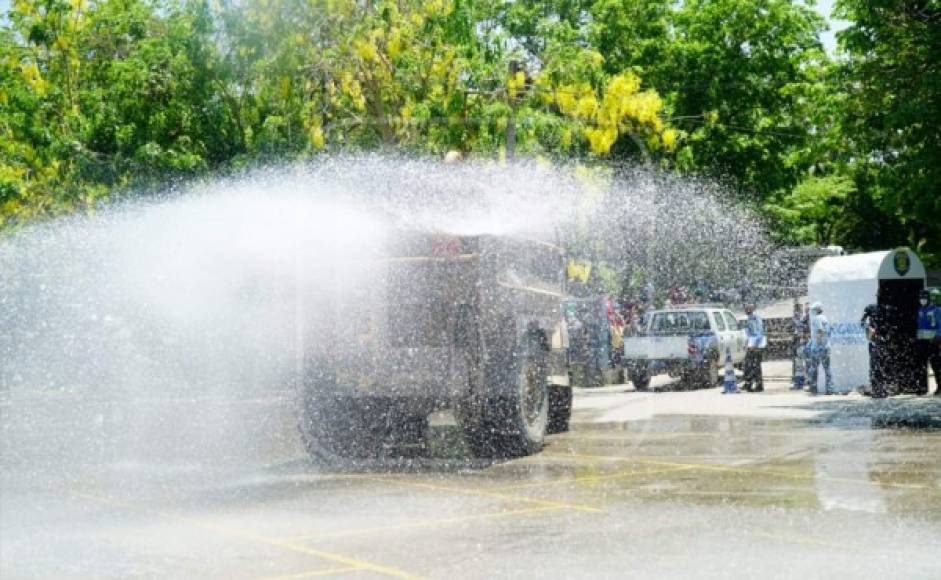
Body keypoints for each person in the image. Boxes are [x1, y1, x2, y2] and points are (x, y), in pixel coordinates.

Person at [861, 293, 899, 398]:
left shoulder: (889, 309)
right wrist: (869, 328)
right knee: (874, 366)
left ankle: (886, 388)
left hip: (886, 342)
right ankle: (876, 389)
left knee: (886, 365)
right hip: (874, 342)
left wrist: (891, 339)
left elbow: (893, 326)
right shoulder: (871, 308)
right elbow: (862, 322)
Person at [915, 289, 941, 396]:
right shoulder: (920, 310)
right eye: (921, 298)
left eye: (924, 298)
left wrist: (938, 336)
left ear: (929, 298)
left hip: (933, 341)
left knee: (936, 365)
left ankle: (940, 386)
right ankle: (922, 388)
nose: (923, 300)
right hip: (922, 342)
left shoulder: (936, 310)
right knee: (921, 365)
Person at [807, 302, 833, 395]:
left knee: (813, 369)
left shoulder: (816, 319)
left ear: (817, 310)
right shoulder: (825, 318)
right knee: (827, 370)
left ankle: (813, 389)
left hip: (818, 348)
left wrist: (817, 344)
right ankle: (829, 390)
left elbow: (820, 331)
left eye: (813, 310)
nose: (811, 311)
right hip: (826, 347)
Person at [741, 304, 764, 392]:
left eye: (747, 308)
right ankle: (749, 384)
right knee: (749, 365)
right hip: (751, 344)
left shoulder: (755, 318)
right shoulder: (749, 318)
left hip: (755, 345)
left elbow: (759, 332)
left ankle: (757, 385)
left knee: (754, 365)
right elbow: (748, 333)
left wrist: (755, 344)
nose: (746, 310)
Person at [791, 301, 809, 390]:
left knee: (805, 364)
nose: (797, 312)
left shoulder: (806, 320)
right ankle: (799, 382)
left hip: (803, 344)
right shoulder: (794, 321)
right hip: (798, 345)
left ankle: (805, 382)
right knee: (798, 365)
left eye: (798, 310)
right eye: (796, 310)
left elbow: (806, 332)